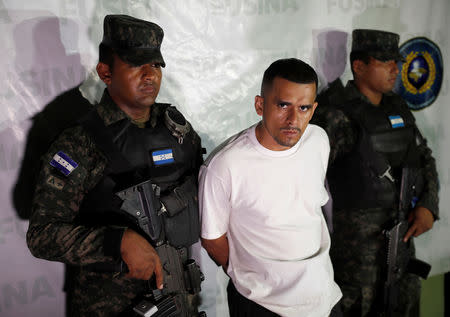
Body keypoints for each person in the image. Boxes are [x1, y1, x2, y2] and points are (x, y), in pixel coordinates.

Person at [26, 15, 204, 316]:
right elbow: (41, 235)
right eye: (136, 65)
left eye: (156, 65)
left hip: (179, 298)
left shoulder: (178, 131)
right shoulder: (79, 143)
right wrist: (115, 241)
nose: (150, 75)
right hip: (112, 307)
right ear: (106, 72)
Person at [199, 58, 342, 317]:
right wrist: (252, 274)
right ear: (260, 104)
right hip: (261, 305)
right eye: (283, 105)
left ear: (313, 109)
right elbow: (212, 239)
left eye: (304, 108)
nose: (293, 119)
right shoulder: (225, 164)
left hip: (324, 298)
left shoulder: (318, 140)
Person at [315, 29, 439, 316]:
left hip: (403, 235)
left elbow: (424, 157)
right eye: (386, 62)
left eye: (396, 62)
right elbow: (305, 178)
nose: (396, 69)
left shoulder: (398, 106)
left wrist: (427, 206)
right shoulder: (336, 114)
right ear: (359, 66)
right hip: (357, 252)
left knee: (404, 303)